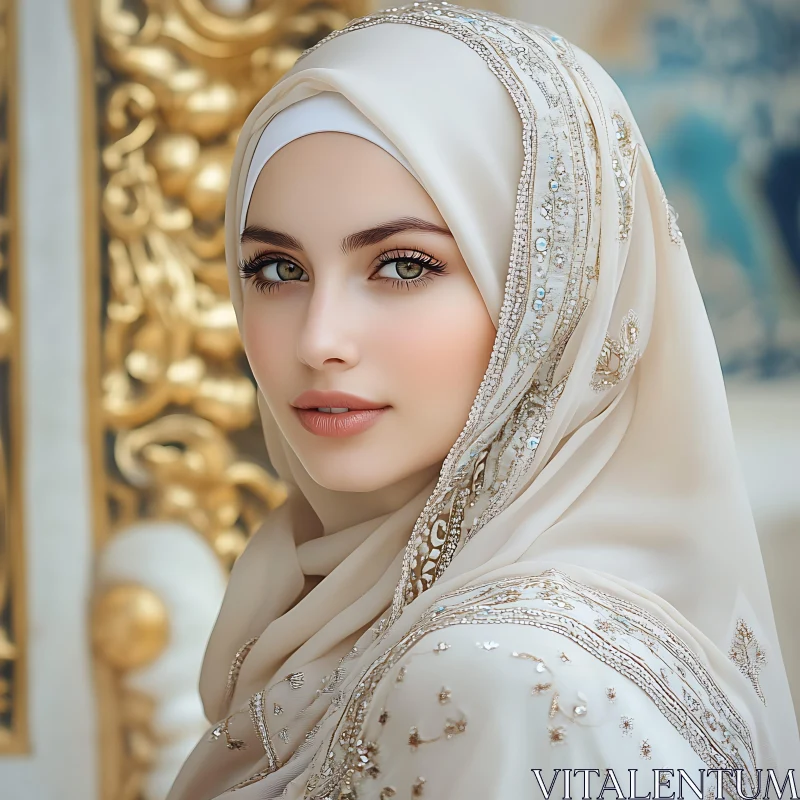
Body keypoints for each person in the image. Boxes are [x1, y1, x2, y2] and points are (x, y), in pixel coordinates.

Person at [166, 3, 800, 799]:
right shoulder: (339, 608)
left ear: (553, 297)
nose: (318, 339)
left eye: (402, 266)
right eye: (276, 271)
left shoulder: (489, 683)